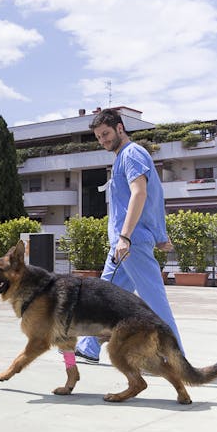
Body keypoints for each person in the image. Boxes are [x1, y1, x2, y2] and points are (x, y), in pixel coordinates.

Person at [73, 108, 184, 364]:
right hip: (125, 244)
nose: (103, 140)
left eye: (106, 134)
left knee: (154, 300)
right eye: (99, 137)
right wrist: (157, 234)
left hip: (128, 243)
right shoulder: (124, 156)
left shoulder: (131, 154)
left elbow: (141, 194)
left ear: (120, 128)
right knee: (104, 298)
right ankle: (89, 347)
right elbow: (153, 199)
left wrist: (125, 237)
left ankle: (172, 356)